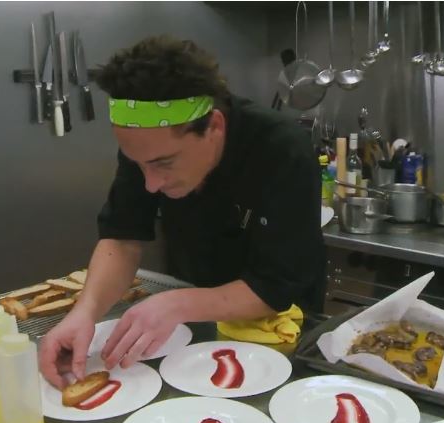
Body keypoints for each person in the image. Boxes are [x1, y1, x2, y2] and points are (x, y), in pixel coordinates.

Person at [39, 35, 325, 389]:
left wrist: (177, 304)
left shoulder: (281, 148)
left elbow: (276, 287)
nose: (151, 185)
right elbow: (122, 237)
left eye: (164, 164)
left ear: (214, 127)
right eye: (138, 165)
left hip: (283, 334)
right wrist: (84, 314)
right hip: (195, 324)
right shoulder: (147, 147)